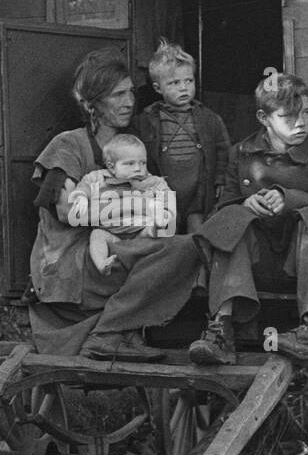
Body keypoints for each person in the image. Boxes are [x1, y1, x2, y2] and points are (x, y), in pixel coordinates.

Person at [29, 51, 202, 361]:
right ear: (92, 103)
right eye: (118, 94)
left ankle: (118, 331)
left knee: (186, 247)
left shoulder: (132, 149)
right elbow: (69, 212)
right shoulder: (68, 145)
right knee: (179, 250)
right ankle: (109, 335)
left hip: (118, 250)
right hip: (75, 261)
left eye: (130, 92)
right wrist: (132, 209)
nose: (129, 102)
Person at [189, 72, 308, 365]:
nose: (301, 123)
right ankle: (221, 329)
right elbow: (219, 214)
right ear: (264, 118)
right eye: (288, 116)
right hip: (256, 267)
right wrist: (246, 203)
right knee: (232, 217)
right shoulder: (240, 154)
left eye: (306, 113)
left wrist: (290, 199)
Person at [133, 40, 231, 235]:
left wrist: (220, 178)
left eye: (189, 81)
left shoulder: (209, 118)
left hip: (198, 195)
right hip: (162, 197)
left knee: (198, 235)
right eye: (174, 83)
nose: (184, 88)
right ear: (158, 88)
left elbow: (223, 149)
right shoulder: (145, 121)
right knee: (166, 235)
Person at [66, 133, 177, 274]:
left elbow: (165, 194)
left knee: (155, 230)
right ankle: (102, 264)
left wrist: (164, 211)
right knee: (96, 235)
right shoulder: (98, 178)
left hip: (139, 233)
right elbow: (84, 186)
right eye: (130, 163)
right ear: (112, 167)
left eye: (143, 163)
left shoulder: (152, 181)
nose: (139, 168)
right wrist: (81, 197)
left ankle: (153, 231)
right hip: (112, 236)